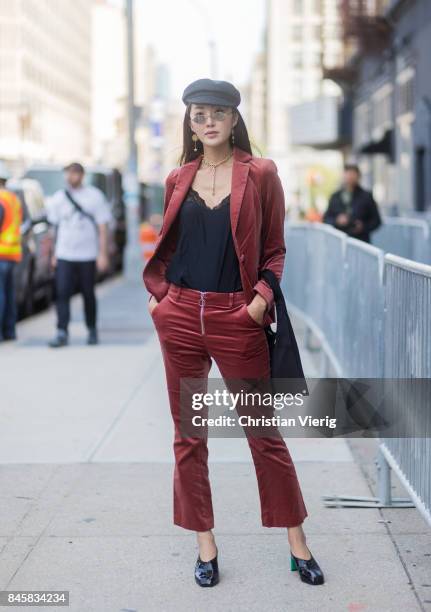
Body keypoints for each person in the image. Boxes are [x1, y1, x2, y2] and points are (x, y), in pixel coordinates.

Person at [143, 78, 324, 587]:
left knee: (263, 433)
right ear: (190, 123)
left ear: (233, 118)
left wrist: (259, 301)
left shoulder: (260, 172)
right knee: (188, 436)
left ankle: (298, 543)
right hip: (179, 314)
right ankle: (205, 546)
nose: (208, 122)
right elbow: (170, 244)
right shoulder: (179, 176)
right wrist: (159, 298)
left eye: (217, 113)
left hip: (234, 316)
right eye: (199, 114)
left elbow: (275, 248)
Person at [46, 162, 111, 347]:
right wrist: (53, 254)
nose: (71, 177)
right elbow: (53, 229)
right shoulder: (58, 198)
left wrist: (103, 254)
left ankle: (91, 330)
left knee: (88, 294)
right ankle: (61, 332)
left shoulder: (95, 197)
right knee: (62, 293)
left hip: (88, 255)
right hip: (64, 253)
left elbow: (102, 227)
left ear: (82, 175)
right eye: (68, 173)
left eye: (74, 173)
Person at [323, 163, 382, 242]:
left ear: (358, 176)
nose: (350, 177)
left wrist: (363, 227)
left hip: (360, 242)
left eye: (352, 174)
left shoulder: (366, 196)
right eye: (347, 174)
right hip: (339, 242)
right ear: (343, 176)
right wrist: (337, 220)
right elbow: (326, 218)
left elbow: (377, 221)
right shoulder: (335, 197)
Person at [0, 161, 22, 342]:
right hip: (12, 253)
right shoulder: (13, 198)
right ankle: (9, 331)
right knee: (8, 293)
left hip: (0, 254)